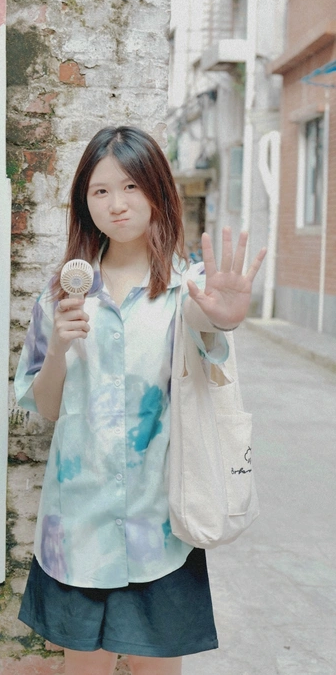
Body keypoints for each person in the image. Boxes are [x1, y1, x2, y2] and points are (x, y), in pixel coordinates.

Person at [14, 125, 266, 675]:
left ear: (156, 192)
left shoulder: (187, 289)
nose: (117, 203)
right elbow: (48, 408)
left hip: (161, 529)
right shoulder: (61, 296)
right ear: (84, 202)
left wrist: (225, 317)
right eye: (100, 190)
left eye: (130, 186)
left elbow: (208, 325)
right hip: (78, 530)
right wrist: (58, 347)